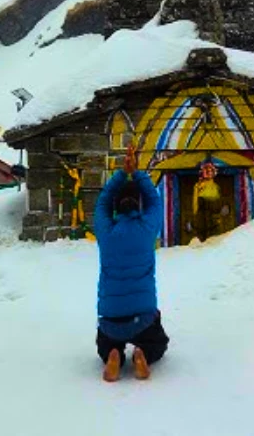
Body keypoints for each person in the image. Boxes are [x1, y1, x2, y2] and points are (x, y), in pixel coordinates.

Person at [93, 143, 169, 382]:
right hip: (143, 318)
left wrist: (120, 174)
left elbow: (102, 202)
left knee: (104, 343)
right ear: (138, 203)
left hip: (110, 320)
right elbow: (155, 201)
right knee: (158, 344)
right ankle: (143, 352)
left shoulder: (106, 232)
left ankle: (113, 353)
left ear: (117, 206)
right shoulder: (147, 229)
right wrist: (136, 172)